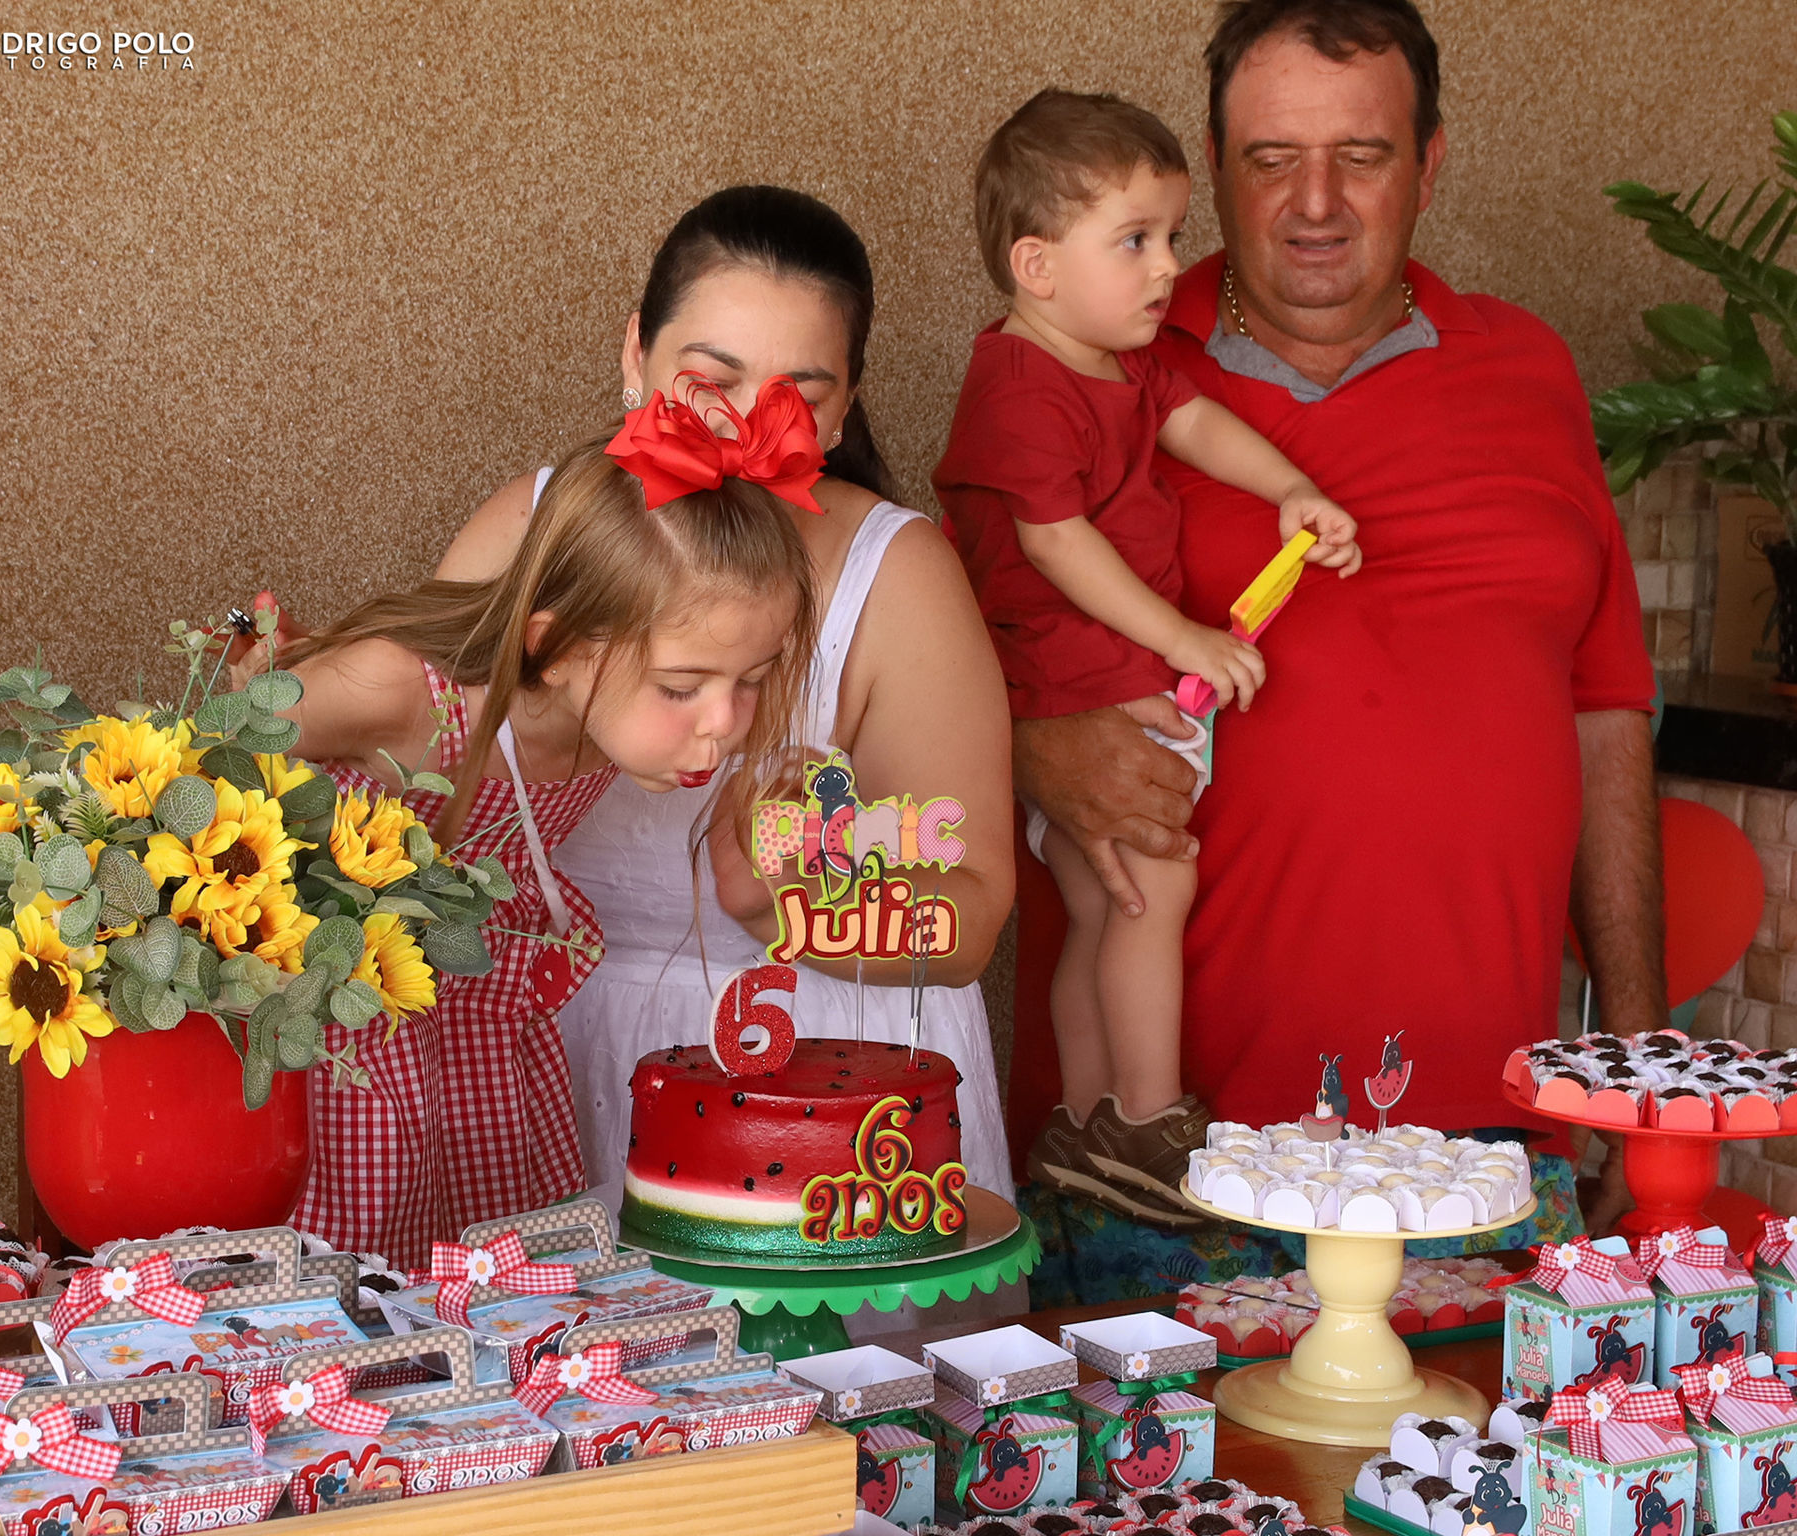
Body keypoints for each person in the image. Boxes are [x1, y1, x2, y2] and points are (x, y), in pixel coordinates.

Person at [1012, 0, 1664, 1240]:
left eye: (1359, 158)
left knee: (1480, 1439)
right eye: (1270, 160)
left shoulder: (1529, 368)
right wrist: (1034, 745)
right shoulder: (1091, 365)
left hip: (1493, 1146)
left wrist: (1629, 1065)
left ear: (1428, 165)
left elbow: (1605, 712)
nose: (1314, 202)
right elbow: (938, 648)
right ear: (1214, 167)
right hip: (1172, 1156)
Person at [437, 187, 1017, 1201]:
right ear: (635, 359)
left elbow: (967, 922)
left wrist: (786, 902)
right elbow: (420, 798)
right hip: (548, 1068)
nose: (745, 430)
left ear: (840, 412)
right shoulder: (527, 534)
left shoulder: (898, 575)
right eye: (711, 381)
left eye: (800, 394)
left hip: (820, 1092)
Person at [248, 398, 822, 1267]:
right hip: (346, 1040)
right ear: (553, 649)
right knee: (353, 1292)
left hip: (476, 1037)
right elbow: (191, 758)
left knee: (502, 1288)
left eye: (753, 678)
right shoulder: (403, 695)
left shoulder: (604, 720)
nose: (725, 724)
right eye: (681, 687)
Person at [934, 89, 1359, 1225]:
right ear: (1036, 265)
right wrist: (1181, 637)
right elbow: (1051, 537)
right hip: (1071, 680)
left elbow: (1198, 426)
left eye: (1171, 236)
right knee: (1153, 883)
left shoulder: (1127, 361)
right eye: (1135, 240)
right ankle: (1153, 1116)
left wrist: (1293, 492)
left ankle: (1084, 1122)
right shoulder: (1019, 382)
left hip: (1098, 676)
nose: (1169, 266)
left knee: (1104, 901)